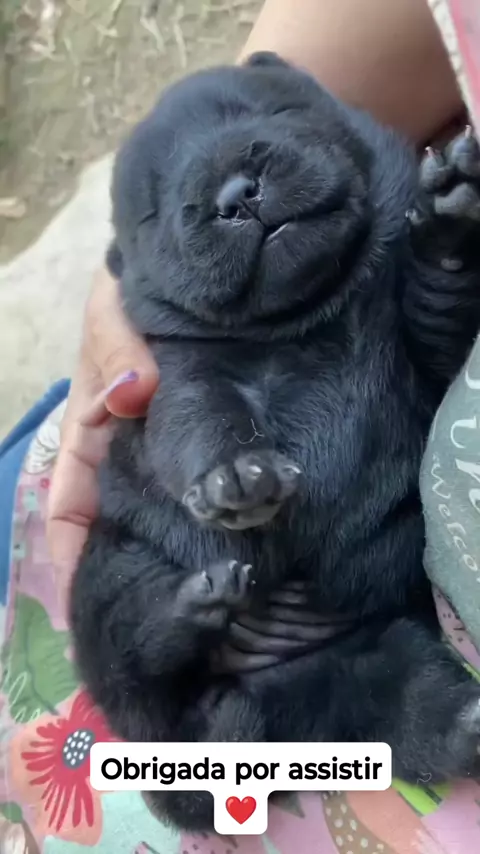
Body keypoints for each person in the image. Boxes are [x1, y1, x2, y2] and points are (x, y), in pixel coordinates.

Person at [3, 2, 480, 853]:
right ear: (128, 275)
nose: (236, 191)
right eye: (161, 212)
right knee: (118, 599)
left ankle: (413, 734)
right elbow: (191, 408)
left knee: (388, 687)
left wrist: (444, 253)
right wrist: (222, 465)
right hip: (179, 617)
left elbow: (433, 349)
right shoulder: (190, 342)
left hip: (355, 621)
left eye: (262, 129)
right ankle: (195, 764)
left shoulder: (379, 237)